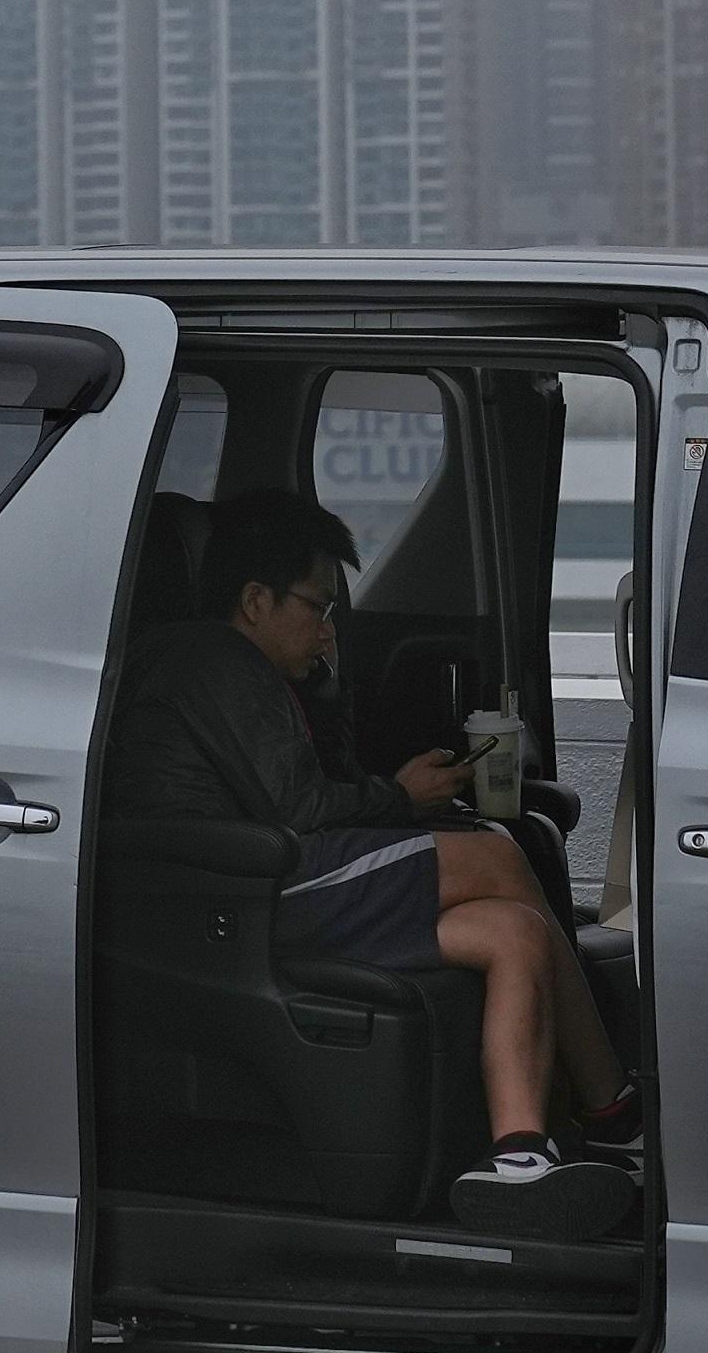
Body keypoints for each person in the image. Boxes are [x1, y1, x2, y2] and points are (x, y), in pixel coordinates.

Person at [112, 484, 638, 1236]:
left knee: (513, 929)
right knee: (495, 856)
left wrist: (331, 698)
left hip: (271, 876)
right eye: (318, 608)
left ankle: (521, 1157)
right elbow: (300, 808)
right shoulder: (213, 658)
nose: (328, 629)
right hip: (246, 886)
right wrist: (400, 796)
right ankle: (612, 1105)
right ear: (255, 600)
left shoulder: (231, 667)